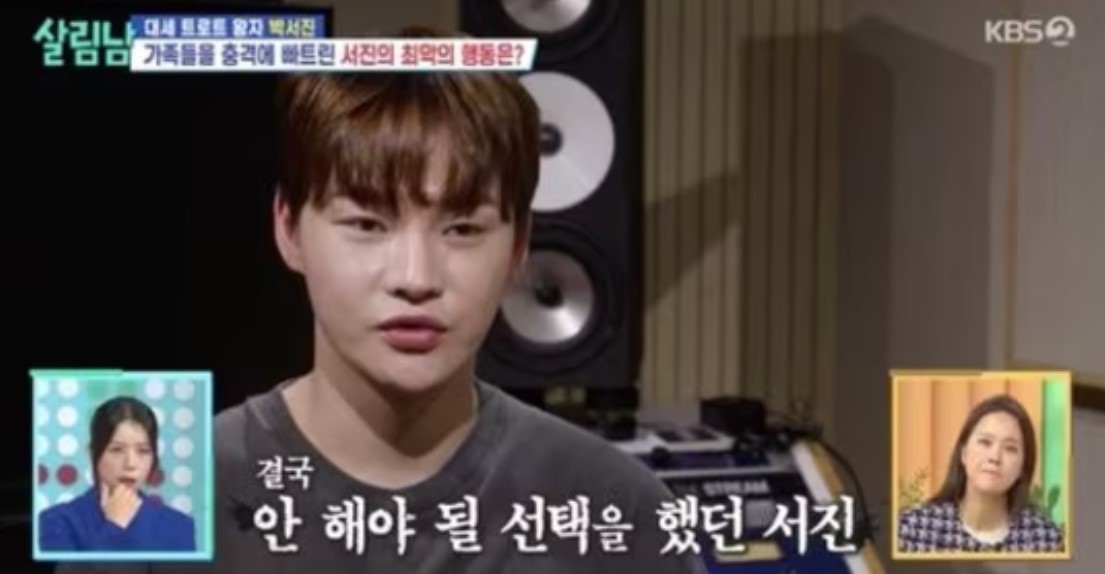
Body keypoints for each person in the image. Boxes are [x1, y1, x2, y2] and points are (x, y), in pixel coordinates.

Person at [58, 26, 706, 574]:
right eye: (367, 224)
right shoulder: (143, 511)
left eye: (462, 229)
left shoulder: (619, 513)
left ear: (518, 247)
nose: (415, 277)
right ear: (288, 229)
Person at [897, 394, 1064, 553]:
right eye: (985, 442)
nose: (995, 457)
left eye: (1010, 448)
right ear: (963, 453)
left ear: (1023, 466)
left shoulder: (1046, 540)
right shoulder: (913, 529)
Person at [39, 396, 196, 552]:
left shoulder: (180, 526)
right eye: (117, 450)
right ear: (93, 452)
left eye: (143, 451)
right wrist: (114, 527)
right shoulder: (56, 522)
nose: (131, 463)